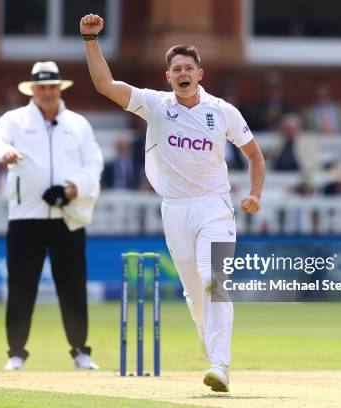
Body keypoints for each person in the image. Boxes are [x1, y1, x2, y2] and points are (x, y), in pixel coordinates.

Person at [81, 14, 265, 392]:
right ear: (168, 76)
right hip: (175, 209)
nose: (183, 73)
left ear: (201, 73)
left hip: (215, 206)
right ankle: (203, 329)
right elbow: (104, 84)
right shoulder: (155, 104)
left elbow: (255, 156)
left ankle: (221, 364)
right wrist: (91, 39)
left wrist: (255, 193)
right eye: (176, 68)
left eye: (189, 68)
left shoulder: (222, 111)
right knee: (196, 295)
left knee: (214, 282)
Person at [0, 61, 104, 371]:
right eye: (43, 87)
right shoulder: (15, 120)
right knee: (22, 286)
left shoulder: (77, 124)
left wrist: (73, 188)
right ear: (33, 90)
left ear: (59, 89)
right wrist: (4, 154)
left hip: (67, 214)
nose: (48, 92)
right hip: (25, 216)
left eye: (53, 87)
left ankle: (80, 351)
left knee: (73, 286)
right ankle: (15, 352)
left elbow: (94, 163)